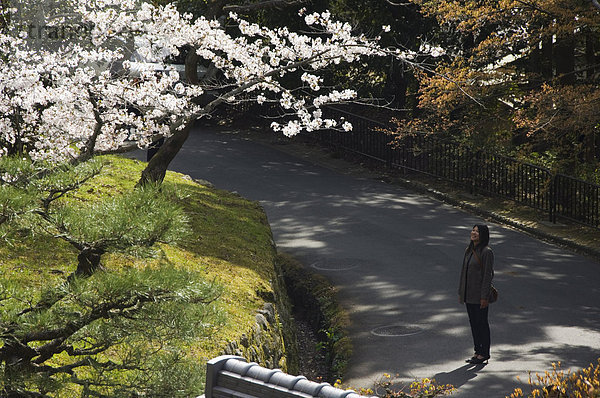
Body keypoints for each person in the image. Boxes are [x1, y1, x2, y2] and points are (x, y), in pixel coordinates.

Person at [458, 224, 494, 364]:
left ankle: (484, 353)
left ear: (483, 235)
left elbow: (487, 276)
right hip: (469, 295)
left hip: (480, 296)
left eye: (477, 231)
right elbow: (464, 273)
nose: (473, 233)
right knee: (473, 323)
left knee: (481, 324)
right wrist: (461, 292)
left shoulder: (486, 252)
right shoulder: (469, 250)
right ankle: (477, 351)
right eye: (473, 230)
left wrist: (484, 296)